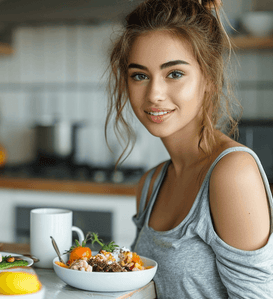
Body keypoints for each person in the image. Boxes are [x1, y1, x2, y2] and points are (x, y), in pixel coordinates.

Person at [106, 0, 273, 297]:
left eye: (174, 74)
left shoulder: (231, 173)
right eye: (140, 75)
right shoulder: (150, 184)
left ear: (208, 78)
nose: (154, 94)